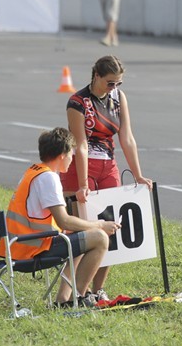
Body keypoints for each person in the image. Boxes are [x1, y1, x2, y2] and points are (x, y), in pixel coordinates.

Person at [59, 55, 152, 302]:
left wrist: (138, 174)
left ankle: (97, 290)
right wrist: (81, 185)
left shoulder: (119, 98)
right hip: (82, 167)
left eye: (118, 83)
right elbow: (81, 146)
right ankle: (72, 293)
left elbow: (127, 138)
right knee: (83, 233)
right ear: (96, 76)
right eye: (110, 83)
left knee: (110, 229)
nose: (115, 88)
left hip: (108, 165)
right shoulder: (77, 102)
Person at [0, 127, 121, 308]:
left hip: (17, 246)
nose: (72, 159)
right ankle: (77, 298)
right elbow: (63, 219)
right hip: (31, 248)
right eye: (71, 154)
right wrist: (99, 225)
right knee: (99, 238)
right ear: (62, 155)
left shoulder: (34, 171)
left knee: (78, 232)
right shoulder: (49, 178)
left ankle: (63, 299)